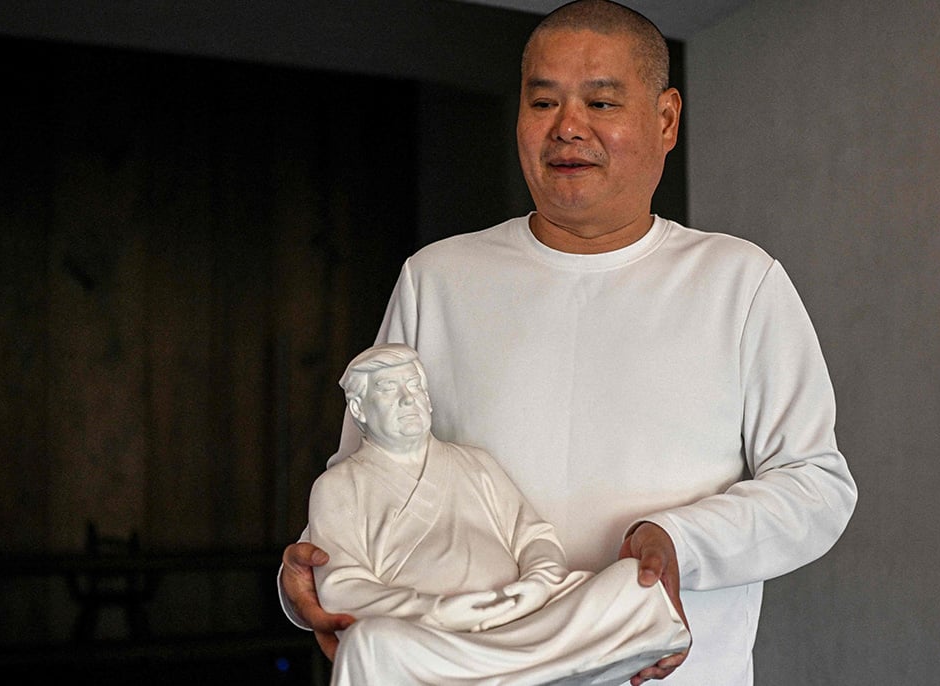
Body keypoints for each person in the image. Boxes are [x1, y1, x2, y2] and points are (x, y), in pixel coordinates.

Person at [280, 1, 857, 684]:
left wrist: (677, 542)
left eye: (602, 102)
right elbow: (363, 474)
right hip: (469, 656)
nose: (568, 129)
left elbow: (817, 488)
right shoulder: (439, 278)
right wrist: (314, 577)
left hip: (661, 668)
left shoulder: (739, 281)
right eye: (543, 102)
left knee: (628, 604)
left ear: (666, 119)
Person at [310, 343, 688, 685]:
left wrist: (538, 582)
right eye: (390, 390)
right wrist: (439, 610)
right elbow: (342, 586)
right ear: (358, 408)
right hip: (436, 636)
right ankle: (546, 672)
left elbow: (533, 537)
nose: (409, 399)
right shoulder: (338, 486)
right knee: (370, 644)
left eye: (415, 387)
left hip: (525, 617)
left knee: (633, 584)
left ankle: (532, 669)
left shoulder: (474, 463)